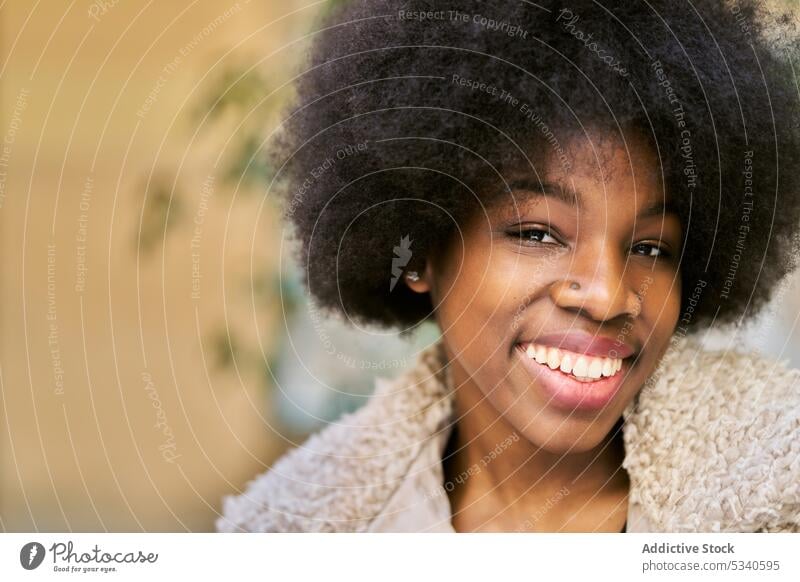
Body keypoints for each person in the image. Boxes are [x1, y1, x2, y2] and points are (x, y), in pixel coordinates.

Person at [217, 0, 800, 532]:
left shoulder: (777, 492)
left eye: (650, 247)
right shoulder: (293, 529)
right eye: (537, 232)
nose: (606, 294)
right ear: (418, 247)